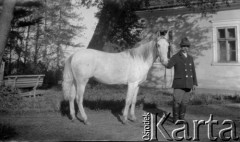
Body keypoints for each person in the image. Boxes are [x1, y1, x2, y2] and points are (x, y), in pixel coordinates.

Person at [164, 37, 198, 123]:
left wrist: (194, 83)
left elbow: (193, 71)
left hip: (188, 84)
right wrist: (168, 57)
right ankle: (175, 119)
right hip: (179, 83)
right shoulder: (175, 57)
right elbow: (168, 66)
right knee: (176, 101)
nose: (185, 48)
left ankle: (182, 118)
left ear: (189, 47)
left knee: (185, 102)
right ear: (181, 47)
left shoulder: (190, 58)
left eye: (187, 46)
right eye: (183, 46)